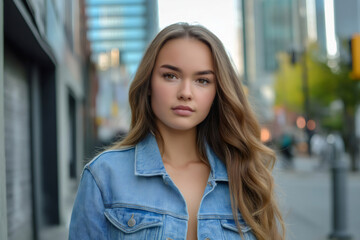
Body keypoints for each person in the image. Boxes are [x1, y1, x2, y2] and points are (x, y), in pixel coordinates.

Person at [69, 23, 285, 240]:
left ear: (217, 92)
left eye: (202, 80)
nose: (185, 93)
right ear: (149, 84)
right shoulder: (104, 176)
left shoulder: (245, 176)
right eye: (171, 76)